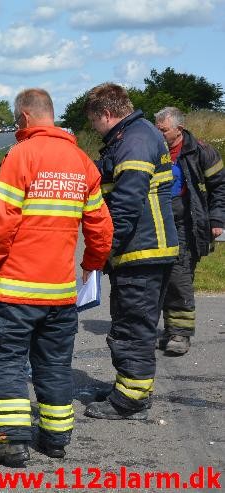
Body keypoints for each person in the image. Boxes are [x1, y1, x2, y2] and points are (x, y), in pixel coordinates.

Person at [0, 88, 112, 466]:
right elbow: (101, 226)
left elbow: (2, 221)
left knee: (7, 363)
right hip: (60, 295)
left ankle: (10, 442)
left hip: (16, 292)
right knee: (53, 364)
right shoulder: (82, 161)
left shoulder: (21, 155)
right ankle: (55, 439)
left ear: (23, 117)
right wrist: (92, 263)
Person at [82, 83, 178, 420]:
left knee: (132, 326)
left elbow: (125, 204)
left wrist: (103, 249)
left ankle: (131, 398)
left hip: (142, 251)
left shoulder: (135, 140)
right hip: (145, 249)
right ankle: (129, 386)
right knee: (131, 321)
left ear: (106, 114)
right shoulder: (135, 135)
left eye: (94, 122)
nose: (94, 129)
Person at [154, 107, 225, 355]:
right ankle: (169, 330)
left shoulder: (201, 151)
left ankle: (180, 335)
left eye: (163, 130)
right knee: (161, 276)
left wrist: (217, 219)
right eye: (157, 129)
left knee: (179, 275)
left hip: (188, 224)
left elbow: (220, 187)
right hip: (160, 223)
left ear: (179, 129)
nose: (158, 134)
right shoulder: (153, 149)